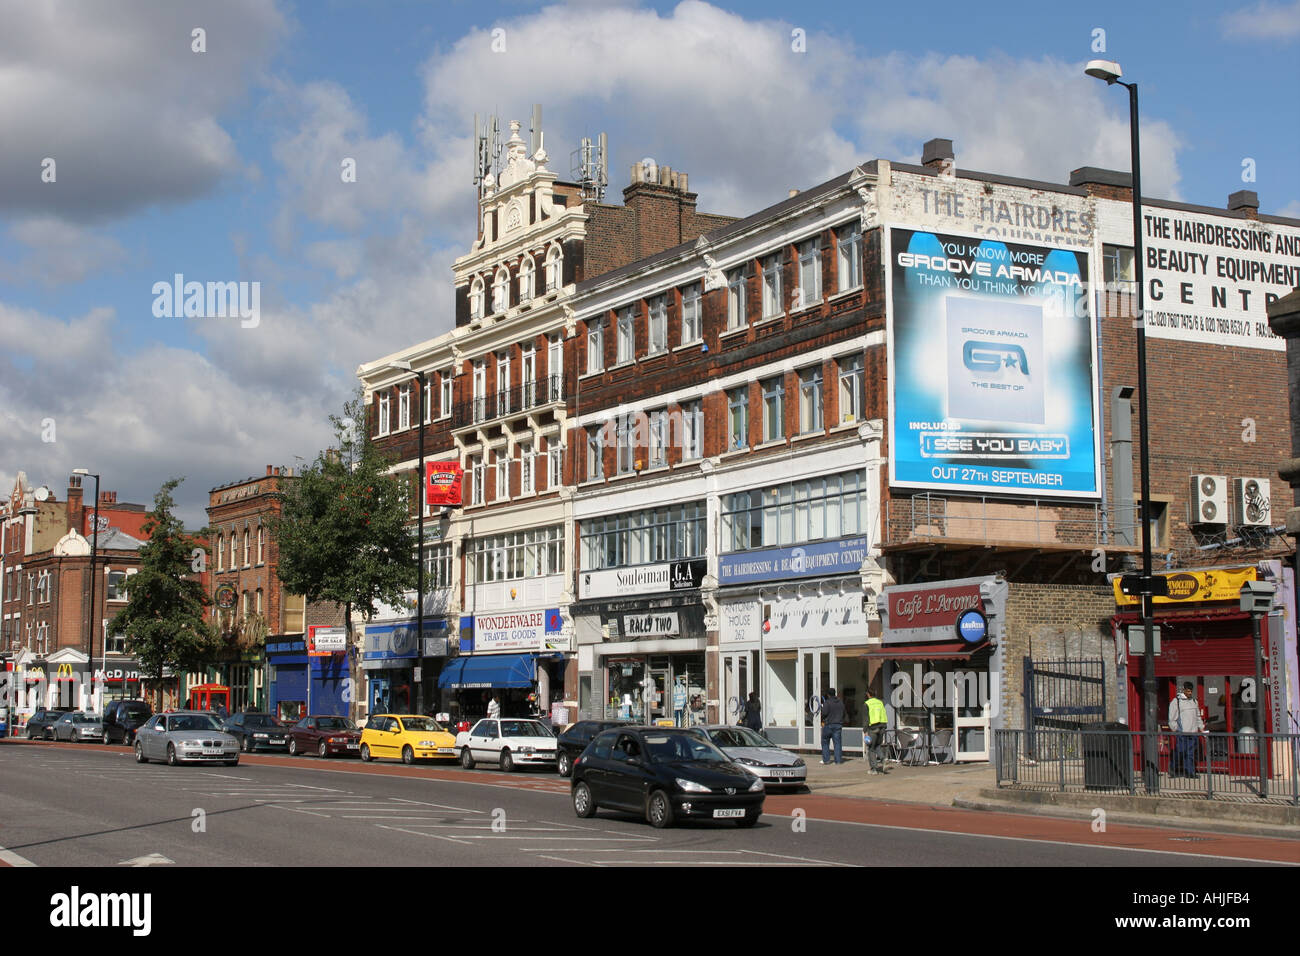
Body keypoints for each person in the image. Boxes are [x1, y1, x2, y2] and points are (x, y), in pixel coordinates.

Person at [1167, 681, 1204, 778]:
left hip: (1193, 732)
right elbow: (1172, 718)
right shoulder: (1176, 702)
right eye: (1188, 691)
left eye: (1191, 691)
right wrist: (1175, 729)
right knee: (1180, 751)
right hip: (1182, 732)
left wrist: (1201, 727)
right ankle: (1172, 768)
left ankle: (1190, 772)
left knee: (1190, 753)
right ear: (1183, 690)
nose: (1189, 693)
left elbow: (1197, 716)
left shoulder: (1194, 701)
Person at [863, 689, 889, 774]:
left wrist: (865, 730)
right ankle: (883, 759)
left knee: (871, 748)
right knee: (877, 745)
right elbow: (883, 714)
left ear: (868, 694)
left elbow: (866, 719)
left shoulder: (867, 704)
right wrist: (884, 727)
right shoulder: (880, 703)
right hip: (881, 727)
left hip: (872, 728)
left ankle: (873, 769)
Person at [820, 688, 846, 765]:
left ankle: (826, 760)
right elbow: (844, 713)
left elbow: (824, 713)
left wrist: (823, 719)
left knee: (825, 742)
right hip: (838, 725)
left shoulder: (827, 702)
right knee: (837, 743)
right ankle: (838, 761)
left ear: (828, 694)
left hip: (828, 725)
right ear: (835, 694)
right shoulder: (841, 702)